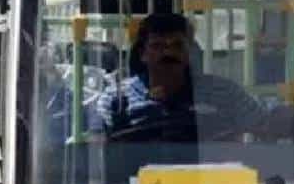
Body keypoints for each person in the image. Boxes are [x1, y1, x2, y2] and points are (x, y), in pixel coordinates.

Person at [94, 12, 266, 140]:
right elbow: (97, 153)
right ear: (142, 54)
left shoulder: (225, 94)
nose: (168, 53)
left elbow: (264, 128)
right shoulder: (115, 100)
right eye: (158, 46)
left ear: (190, 51)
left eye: (177, 45)